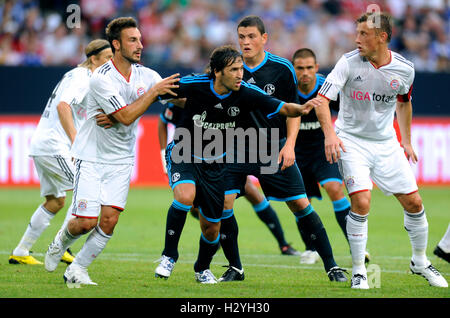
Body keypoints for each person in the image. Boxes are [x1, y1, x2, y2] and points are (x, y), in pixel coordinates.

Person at [158, 45, 318, 283]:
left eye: (241, 68)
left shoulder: (246, 92)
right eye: (234, 69)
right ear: (217, 72)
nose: (240, 74)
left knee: (212, 229)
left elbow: (283, 107)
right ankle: (169, 255)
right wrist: (137, 101)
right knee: (184, 196)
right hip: (185, 153)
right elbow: (157, 92)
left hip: (217, 164)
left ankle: (202, 268)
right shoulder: (195, 84)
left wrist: (302, 108)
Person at [43, 17, 180, 286]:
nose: (140, 45)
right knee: (84, 222)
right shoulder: (101, 78)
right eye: (133, 40)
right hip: (91, 156)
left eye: (140, 39)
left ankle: (77, 269)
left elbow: (176, 96)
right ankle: (60, 240)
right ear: (116, 44)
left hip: (122, 159)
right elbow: (127, 116)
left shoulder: (147, 75)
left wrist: (210, 90)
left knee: (109, 221)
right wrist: (151, 95)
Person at [315, 11, 448, 289]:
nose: (357, 39)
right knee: (362, 202)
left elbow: (404, 102)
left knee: (414, 203)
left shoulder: (404, 69)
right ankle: (360, 271)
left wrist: (407, 141)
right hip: (350, 140)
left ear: (382, 37)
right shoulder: (348, 63)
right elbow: (322, 99)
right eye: (357, 33)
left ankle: (420, 261)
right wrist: (330, 135)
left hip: (386, 144)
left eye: (364, 34)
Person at [217, 15, 347, 283]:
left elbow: (293, 112)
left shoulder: (282, 69)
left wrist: (289, 146)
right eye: (241, 37)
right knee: (224, 203)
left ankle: (332, 266)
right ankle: (236, 267)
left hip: (270, 147)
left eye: (251, 36)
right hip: (235, 147)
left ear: (264, 38)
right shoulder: (229, 67)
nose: (246, 42)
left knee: (300, 205)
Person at [8, 39, 113, 265]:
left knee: (55, 200)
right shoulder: (84, 78)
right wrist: (76, 142)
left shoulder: (72, 75)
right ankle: (61, 246)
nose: (110, 63)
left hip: (43, 143)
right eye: (107, 59)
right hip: (55, 145)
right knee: (83, 190)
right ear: (94, 59)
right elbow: (63, 106)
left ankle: (21, 250)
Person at [291, 48, 370, 265]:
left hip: (322, 151)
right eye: (300, 68)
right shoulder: (287, 88)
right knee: (300, 202)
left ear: (316, 68)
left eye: (309, 68)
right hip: (296, 154)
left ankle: (356, 248)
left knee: (335, 189)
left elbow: (347, 111)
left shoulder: (326, 87)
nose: (305, 72)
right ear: (293, 69)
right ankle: (310, 248)